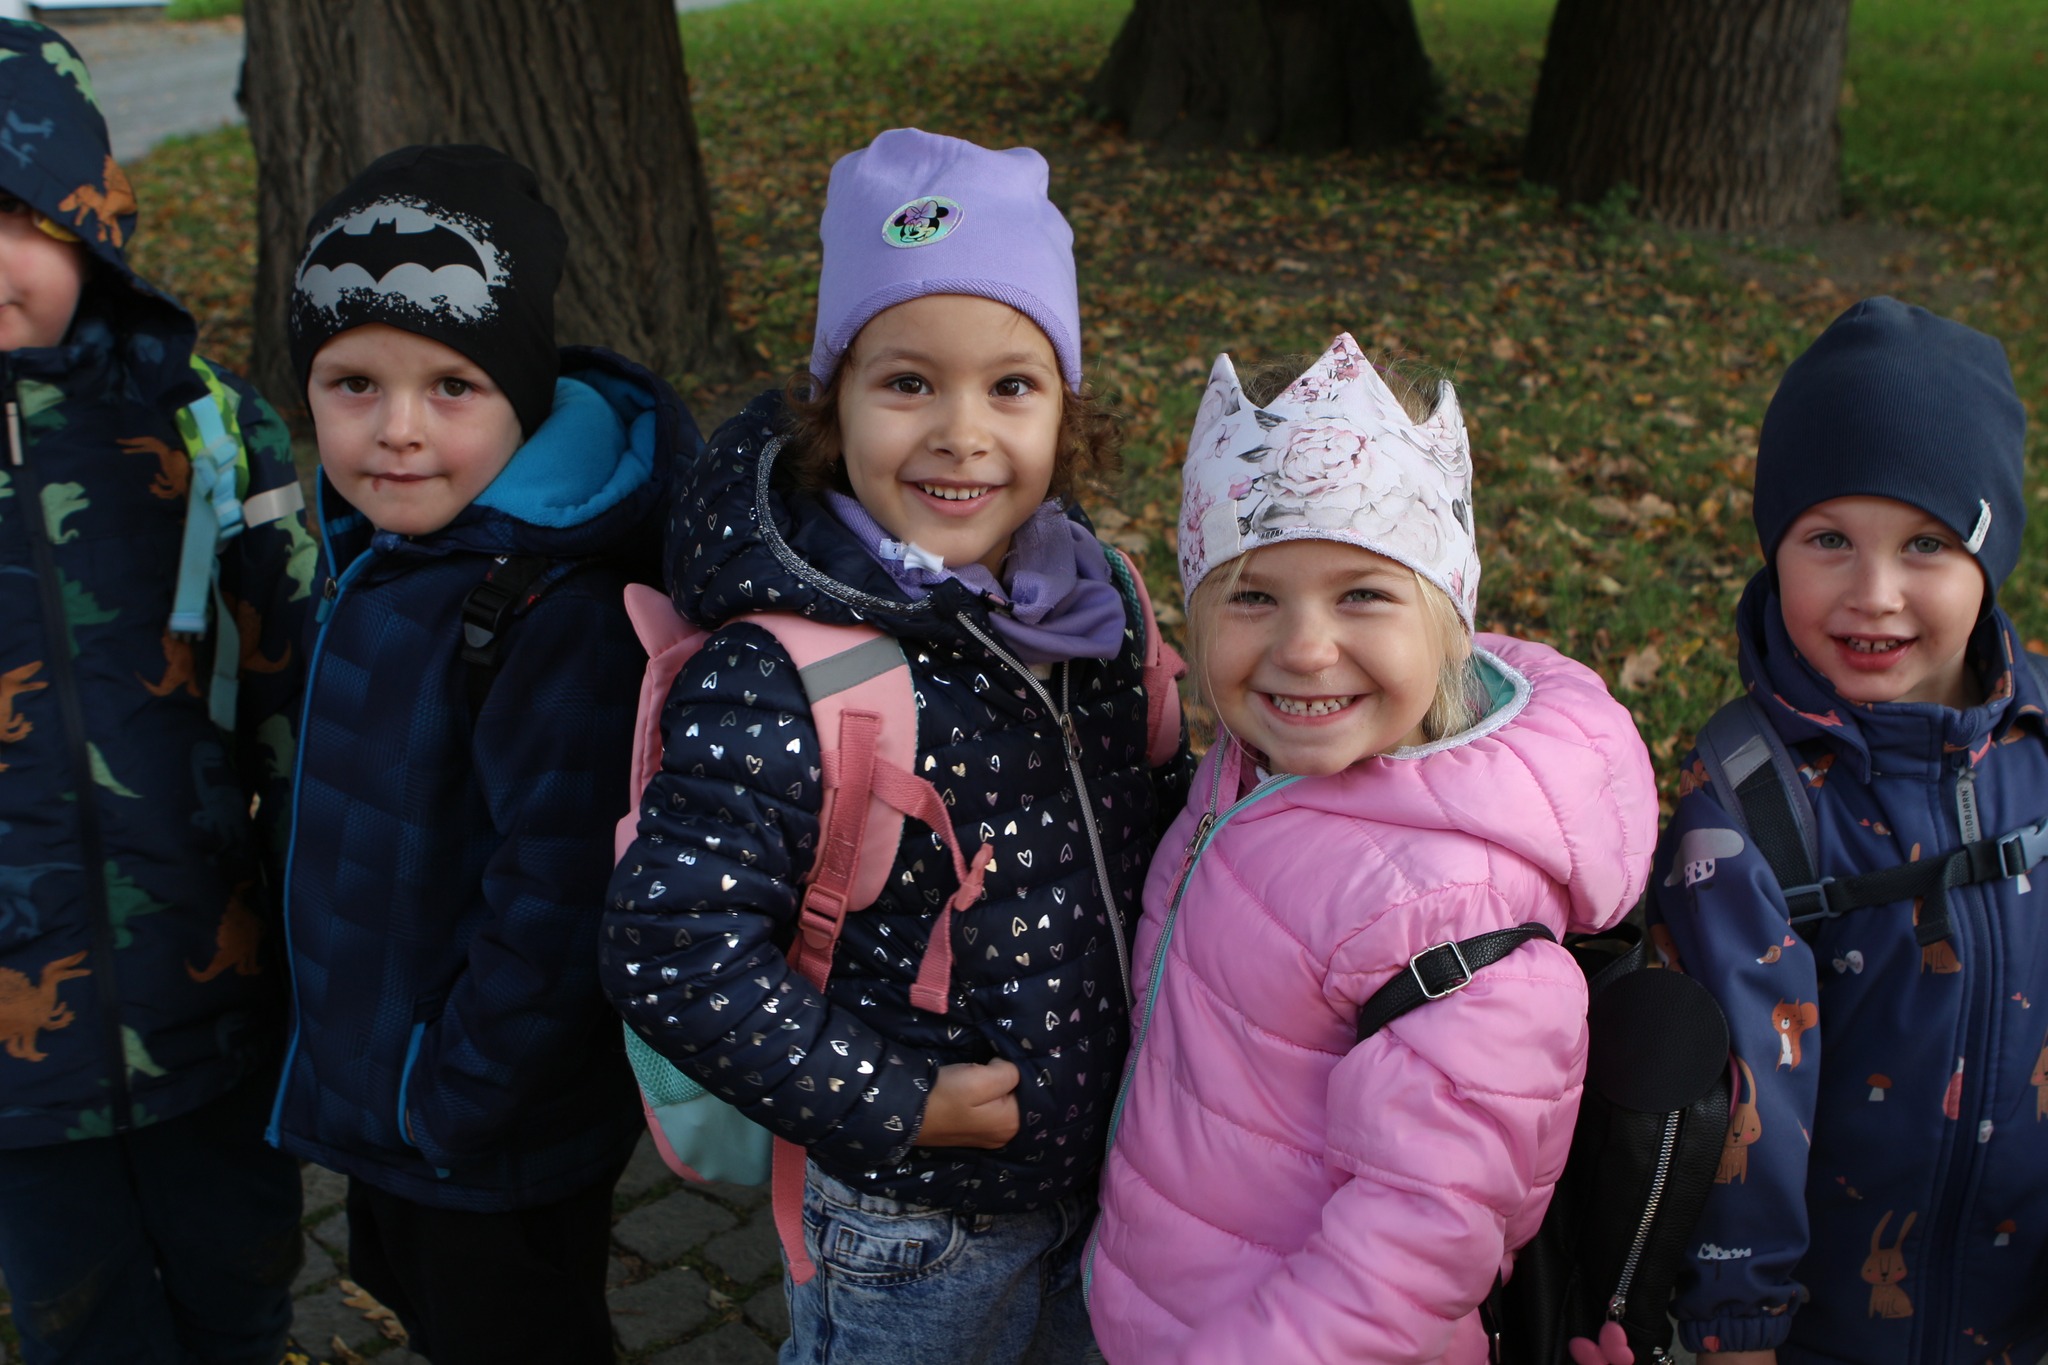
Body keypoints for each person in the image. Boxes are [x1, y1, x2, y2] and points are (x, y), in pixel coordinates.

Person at [603, 126, 1190, 1365]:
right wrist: (896, 1103)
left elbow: (1159, 820)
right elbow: (669, 950)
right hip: (915, 1222)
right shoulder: (782, 673)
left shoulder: (1094, 609)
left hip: (1112, 1178)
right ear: (833, 408)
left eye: (1011, 386)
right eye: (909, 383)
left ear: (1066, 412)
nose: (961, 432)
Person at [1084, 333, 1661, 1363]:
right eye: (1252, 595)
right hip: (1165, 1300)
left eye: (1362, 594)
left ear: (1445, 624)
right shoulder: (1251, 772)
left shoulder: (1448, 904)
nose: (1305, 647)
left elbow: (1415, 1246)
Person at [267, 144, 694, 1364]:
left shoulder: (551, 616)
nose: (396, 430)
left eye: (452, 385)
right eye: (353, 383)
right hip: (394, 1094)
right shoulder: (382, 549)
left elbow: (559, 901)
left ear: (523, 397)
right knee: (414, 1288)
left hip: (477, 1124)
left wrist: (449, 1096)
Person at [1647, 297, 2046, 1364]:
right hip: (1821, 1332)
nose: (1874, 594)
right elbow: (1742, 1102)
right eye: (1827, 540)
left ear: (1990, 555)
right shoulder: (1749, 805)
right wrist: (1737, 1325)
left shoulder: (2039, 747)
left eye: (1925, 544)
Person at [0, 20, 315, 1364]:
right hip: (19, 1074)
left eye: (15, 214)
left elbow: (299, 694)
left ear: (89, 211)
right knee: (78, 1319)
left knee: (239, 1284)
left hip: (214, 995)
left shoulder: (206, 425)